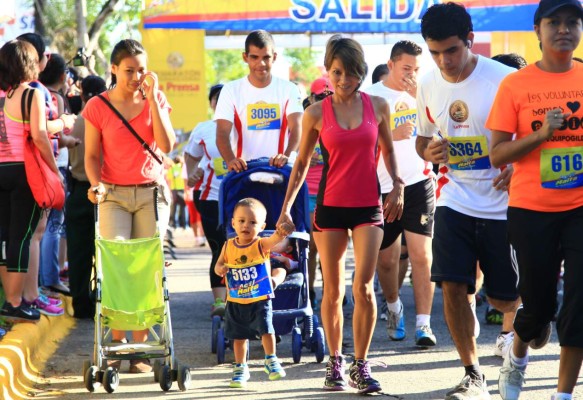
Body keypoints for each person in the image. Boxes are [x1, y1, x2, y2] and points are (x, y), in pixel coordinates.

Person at [278, 34, 404, 394]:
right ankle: (335, 361)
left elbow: (389, 150)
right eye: (337, 73)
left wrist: (397, 184)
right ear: (328, 72)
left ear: (361, 73)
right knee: (332, 291)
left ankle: (359, 366)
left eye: (351, 73)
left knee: (363, 288)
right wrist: (286, 207)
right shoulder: (315, 112)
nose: (344, 80)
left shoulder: (378, 105)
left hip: (368, 206)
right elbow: (301, 162)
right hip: (330, 207)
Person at [415, 3, 521, 398]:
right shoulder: (427, 83)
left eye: (452, 51)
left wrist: (516, 167)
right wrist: (429, 152)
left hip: (502, 203)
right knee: (453, 286)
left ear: (470, 41)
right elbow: (422, 139)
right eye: (435, 52)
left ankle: (519, 322)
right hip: (454, 197)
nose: (444, 61)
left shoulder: (507, 80)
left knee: (503, 297)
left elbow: (535, 139)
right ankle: (472, 374)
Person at [487, 1, 583, 399]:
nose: (564, 29)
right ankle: (517, 357)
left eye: (572, 22)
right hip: (531, 211)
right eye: (554, 22)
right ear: (537, 29)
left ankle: (562, 394)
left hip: (580, 209)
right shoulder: (516, 84)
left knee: (578, 309)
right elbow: (497, 155)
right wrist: (541, 136)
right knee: (538, 309)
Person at [84, 39, 174, 374]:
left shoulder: (155, 99)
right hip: (114, 195)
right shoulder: (98, 106)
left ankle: (141, 346)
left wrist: (153, 102)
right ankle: (117, 341)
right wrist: (97, 184)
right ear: (113, 69)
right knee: (117, 263)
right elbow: (92, 155)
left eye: (141, 70)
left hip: (150, 193)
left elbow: (166, 144)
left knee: (145, 266)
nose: (136, 77)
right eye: (129, 70)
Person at [364, 40, 437, 346]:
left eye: (417, 69)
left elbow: (443, 129)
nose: (412, 74)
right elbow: (355, 143)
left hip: (419, 182)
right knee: (387, 261)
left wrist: (419, 99)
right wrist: (388, 136)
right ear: (391, 64)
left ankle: (424, 324)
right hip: (379, 187)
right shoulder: (370, 96)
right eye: (406, 68)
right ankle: (394, 307)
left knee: (421, 255)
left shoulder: (426, 93)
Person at [0, 39, 61, 322]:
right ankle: (14, 302)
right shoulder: (31, 94)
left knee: (3, 238)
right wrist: (54, 170)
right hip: (24, 172)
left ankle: (11, 299)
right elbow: (39, 136)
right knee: (22, 237)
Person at [214, 198, 294, 388]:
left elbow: (274, 240)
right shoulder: (228, 245)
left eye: (252, 222)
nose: (246, 226)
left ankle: (271, 359)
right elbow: (218, 264)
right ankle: (240, 366)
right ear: (233, 222)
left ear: (262, 226)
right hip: (235, 300)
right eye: (241, 221)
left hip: (259, 298)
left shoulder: (260, 244)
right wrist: (221, 269)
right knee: (238, 336)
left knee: (266, 330)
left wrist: (280, 233)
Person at [215, 29, 303, 172]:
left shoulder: (289, 89)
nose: (261, 63)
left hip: (280, 172)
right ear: (245, 57)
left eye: (266, 57)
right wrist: (231, 160)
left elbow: (297, 128)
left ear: (274, 57)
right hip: (244, 174)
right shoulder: (230, 90)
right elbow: (221, 134)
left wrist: (287, 157)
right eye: (254, 57)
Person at [184, 83, 227, 316]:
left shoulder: (246, 128)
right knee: (220, 248)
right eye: (216, 99)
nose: (220, 102)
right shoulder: (203, 129)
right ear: (211, 104)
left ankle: (244, 298)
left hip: (243, 199)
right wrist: (192, 174)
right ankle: (220, 302)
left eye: (225, 98)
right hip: (210, 197)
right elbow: (190, 155)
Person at [66, 75, 107, 319]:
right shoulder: (105, 123)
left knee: (79, 254)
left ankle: (81, 303)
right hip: (105, 191)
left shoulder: (73, 124)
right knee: (107, 252)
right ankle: (105, 302)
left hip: (79, 190)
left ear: (81, 95)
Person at [303, 77, 334, 309]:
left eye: (328, 95)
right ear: (311, 98)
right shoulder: (307, 119)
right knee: (312, 247)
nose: (325, 100)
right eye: (320, 96)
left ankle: (331, 292)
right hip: (308, 194)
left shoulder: (340, 120)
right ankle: (310, 292)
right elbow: (294, 153)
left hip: (332, 192)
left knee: (330, 249)